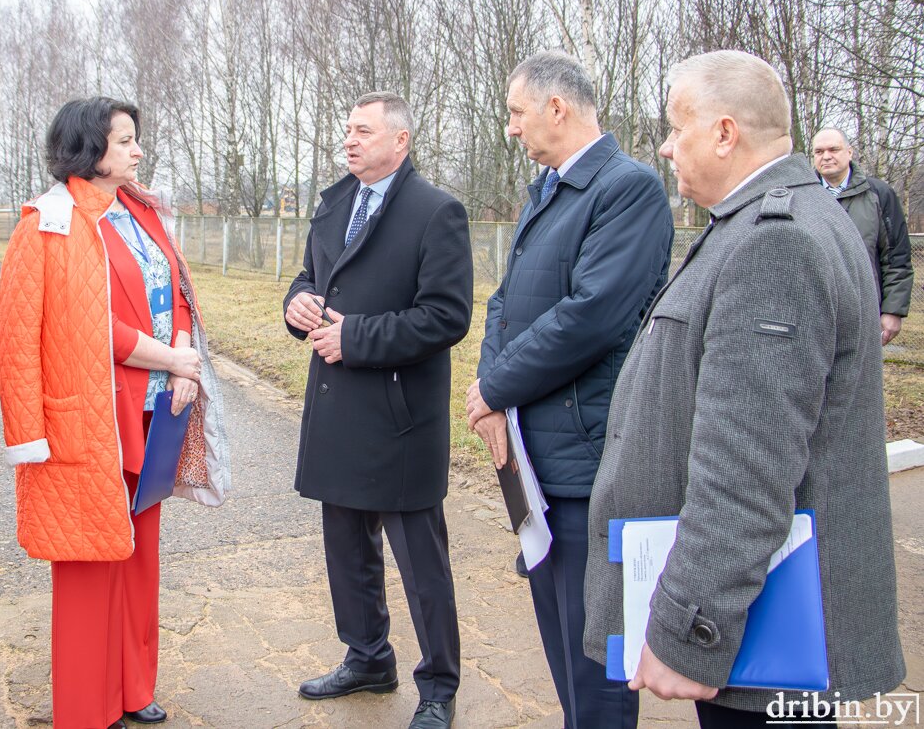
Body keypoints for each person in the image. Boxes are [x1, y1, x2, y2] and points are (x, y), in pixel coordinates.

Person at [583, 50, 906, 728]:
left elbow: (748, 467)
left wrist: (686, 629)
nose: (666, 147)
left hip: (762, 642)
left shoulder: (774, 243)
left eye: (676, 128)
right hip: (761, 621)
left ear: (724, 132)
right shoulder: (768, 221)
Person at [0, 97, 228, 729]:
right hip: (88, 419)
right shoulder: (47, 222)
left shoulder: (139, 212)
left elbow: (175, 290)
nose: (137, 151)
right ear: (89, 149)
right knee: (87, 570)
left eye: (135, 140)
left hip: (152, 412)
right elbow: (59, 333)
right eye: (125, 141)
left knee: (140, 556)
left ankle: (133, 687)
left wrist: (183, 350)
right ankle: (87, 709)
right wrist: (171, 360)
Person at [466, 50, 673, 729]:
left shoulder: (627, 189)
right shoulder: (546, 190)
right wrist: (490, 386)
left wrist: (493, 385)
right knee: (560, 651)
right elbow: (503, 305)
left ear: (557, 108)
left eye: (516, 112)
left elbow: (589, 317)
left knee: (597, 666)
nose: (511, 128)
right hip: (537, 462)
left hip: (589, 464)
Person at [284, 92, 472, 729]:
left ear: (401, 140)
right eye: (347, 130)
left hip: (398, 417)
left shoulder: (436, 210)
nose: (350, 140)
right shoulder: (335, 200)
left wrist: (355, 338)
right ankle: (367, 656)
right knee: (346, 548)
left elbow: (447, 316)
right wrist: (298, 303)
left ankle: (439, 686)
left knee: (421, 563)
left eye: (363, 131)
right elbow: (310, 277)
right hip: (338, 409)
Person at [811, 126, 913, 345]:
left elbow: (896, 258)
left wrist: (893, 310)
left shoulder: (878, 194)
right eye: (819, 152)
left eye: (833, 149)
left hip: (863, 313)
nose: (826, 156)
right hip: (813, 313)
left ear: (849, 152)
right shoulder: (802, 196)